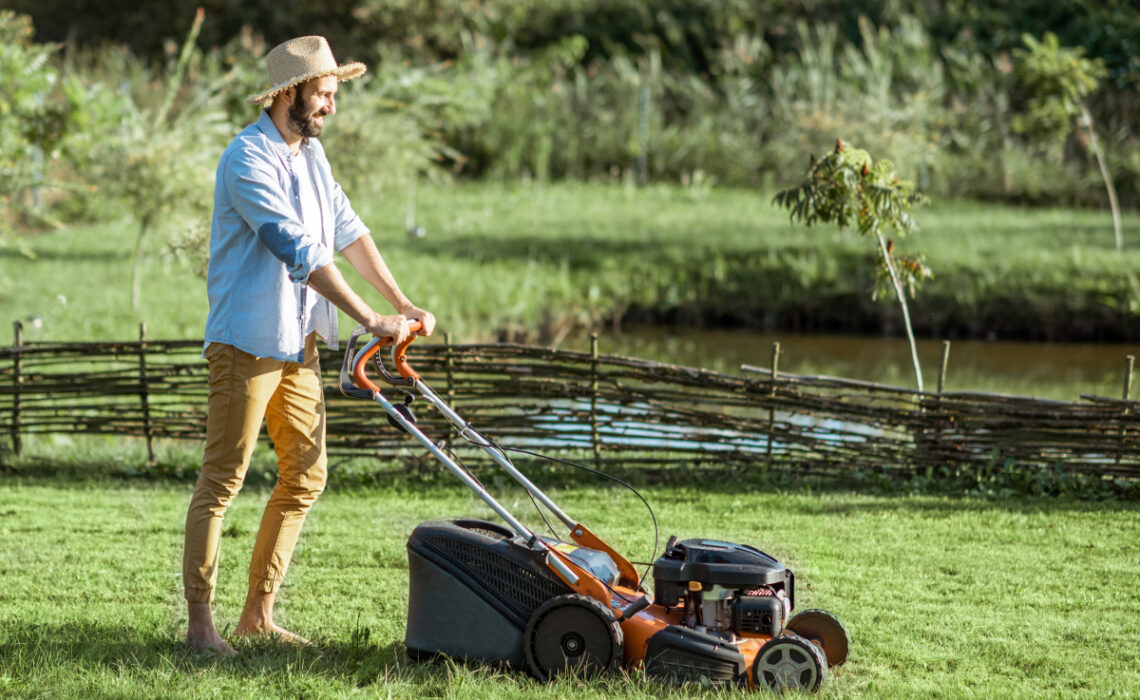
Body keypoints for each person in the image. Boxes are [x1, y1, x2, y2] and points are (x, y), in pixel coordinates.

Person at [182, 35, 436, 654]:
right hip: (246, 342)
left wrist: (400, 303)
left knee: (305, 472)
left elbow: (349, 232)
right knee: (223, 479)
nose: (330, 105)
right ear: (288, 93)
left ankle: (258, 616)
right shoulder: (247, 159)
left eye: (333, 94)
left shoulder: (312, 157)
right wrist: (370, 317)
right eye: (323, 93)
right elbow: (300, 251)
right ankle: (199, 626)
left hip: (298, 343)